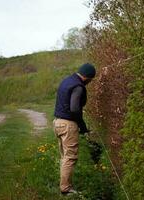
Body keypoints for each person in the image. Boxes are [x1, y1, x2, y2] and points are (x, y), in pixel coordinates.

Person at [53, 63, 96, 195]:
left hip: (57, 122)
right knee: (70, 157)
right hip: (68, 124)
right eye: (90, 80)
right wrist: (83, 127)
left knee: (65, 157)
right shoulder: (78, 86)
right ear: (87, 77)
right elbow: (75, 109)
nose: (89, 83)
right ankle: (65, 189)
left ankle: (64, 184)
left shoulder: (67, 80)